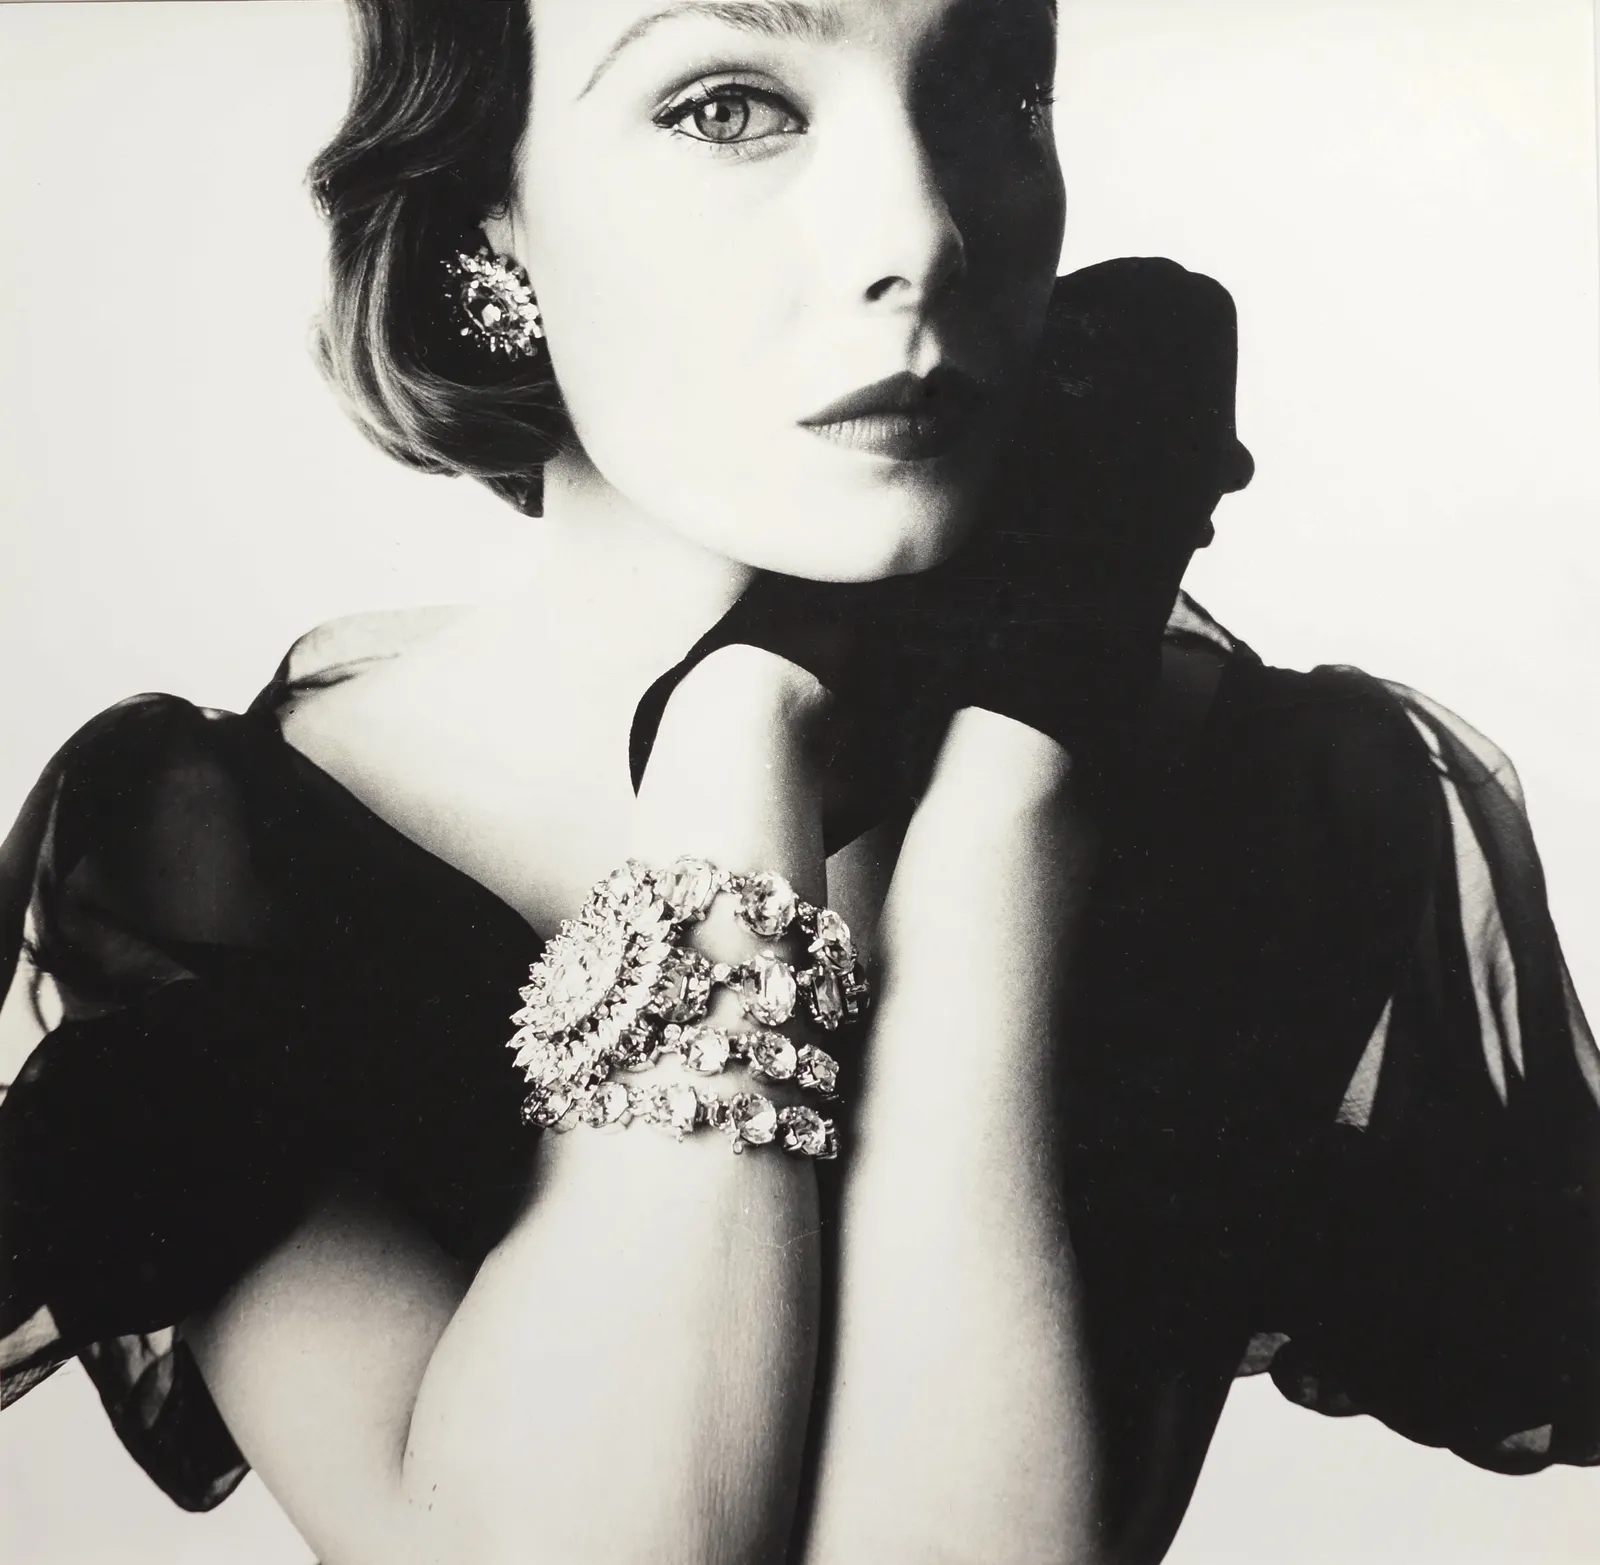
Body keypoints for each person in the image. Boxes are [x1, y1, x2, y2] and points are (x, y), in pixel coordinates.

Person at [1, 3, 1596, 1563]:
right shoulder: (207, 860)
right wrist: (734, 753)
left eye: (995, 95)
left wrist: (1001, 820)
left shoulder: (1265, 798)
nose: (924, 231)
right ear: (489, 220)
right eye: (726, 107)